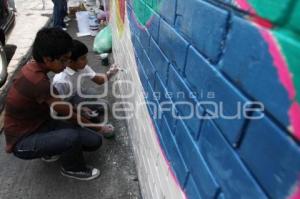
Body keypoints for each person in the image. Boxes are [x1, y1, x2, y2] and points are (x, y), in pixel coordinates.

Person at [3, 28, 113, 181]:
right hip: (22, 140)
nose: (67, 63)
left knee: (93, 141)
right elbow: (66, 112)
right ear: (48, 59)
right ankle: (73, 168)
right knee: (72, 137)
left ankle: (50, 149)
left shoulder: (35, 68)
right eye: (63, 60)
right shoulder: (39, 82)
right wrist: (99, 127)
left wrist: (81, 111)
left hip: (40, 123)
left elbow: (63, 106)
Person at [52, 39, 118, 129]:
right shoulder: (61, 81)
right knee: (87, 123)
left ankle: (84, 114)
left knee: (104, 104)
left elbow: (99, 80)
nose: (86, 61)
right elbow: (58, 106)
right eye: (83, 58)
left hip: (75, 96)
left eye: (85, 57)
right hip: (64, 104)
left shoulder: (83, 67)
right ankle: (76, 120)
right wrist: (80, 110)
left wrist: (111, 72)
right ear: (69, 61)